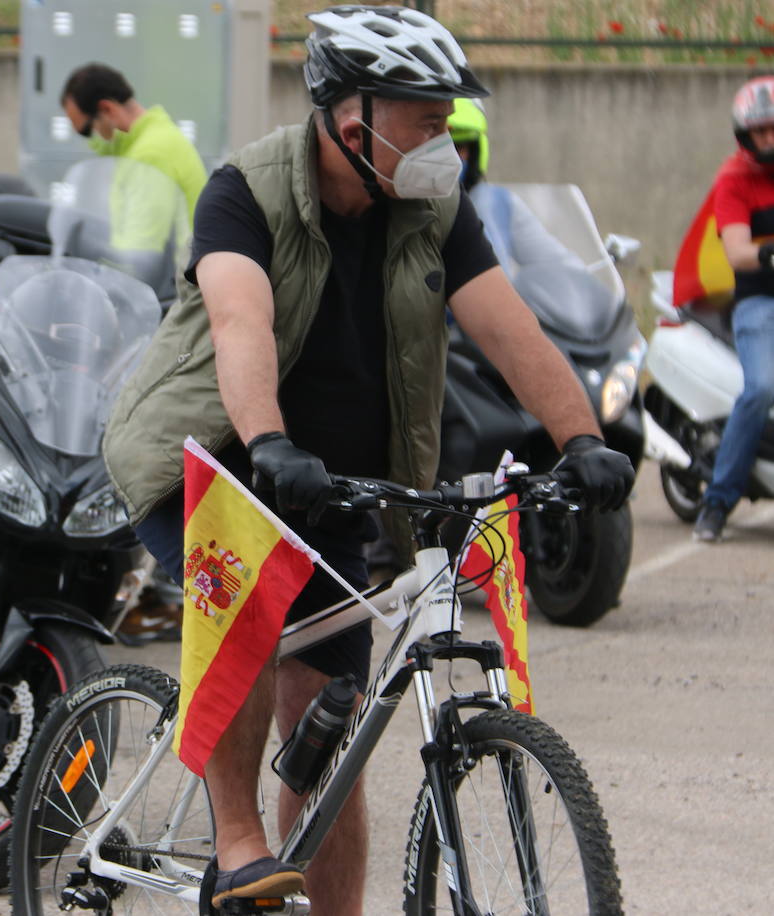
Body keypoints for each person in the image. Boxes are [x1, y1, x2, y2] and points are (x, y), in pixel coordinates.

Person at [101, 5, 635, 911]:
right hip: (219, 460)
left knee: (334, 734)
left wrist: (583, 437)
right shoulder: (246, 190)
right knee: (251, 637)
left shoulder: (432, 207)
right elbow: (240, 324)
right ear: (358, 123)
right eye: (428, 121)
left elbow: (511, 330)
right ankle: (236, 841)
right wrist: (269, 441)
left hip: (333, 487)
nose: (447, 141)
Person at [692, 76, 774, 542]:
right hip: (759, 299)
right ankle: (718, 502)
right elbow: (738, 251)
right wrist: (770, 253)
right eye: (759, 131)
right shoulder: (734, 179)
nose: (768, 139)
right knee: (761, 389)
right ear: (745, 134)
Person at [447, 96, 582, 273]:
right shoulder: (411, 211)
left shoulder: (494, 202)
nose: (449, 157)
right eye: (442, 147)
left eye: (459, 147)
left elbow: (555, 260)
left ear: (475, 151)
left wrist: (588, 288)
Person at [60, 62, 208, 217]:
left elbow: (143, 237)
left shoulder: (150, 154)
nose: (92, 139)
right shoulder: (137, 139)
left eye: (87, 131)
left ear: (107, 109)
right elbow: (106, 149)